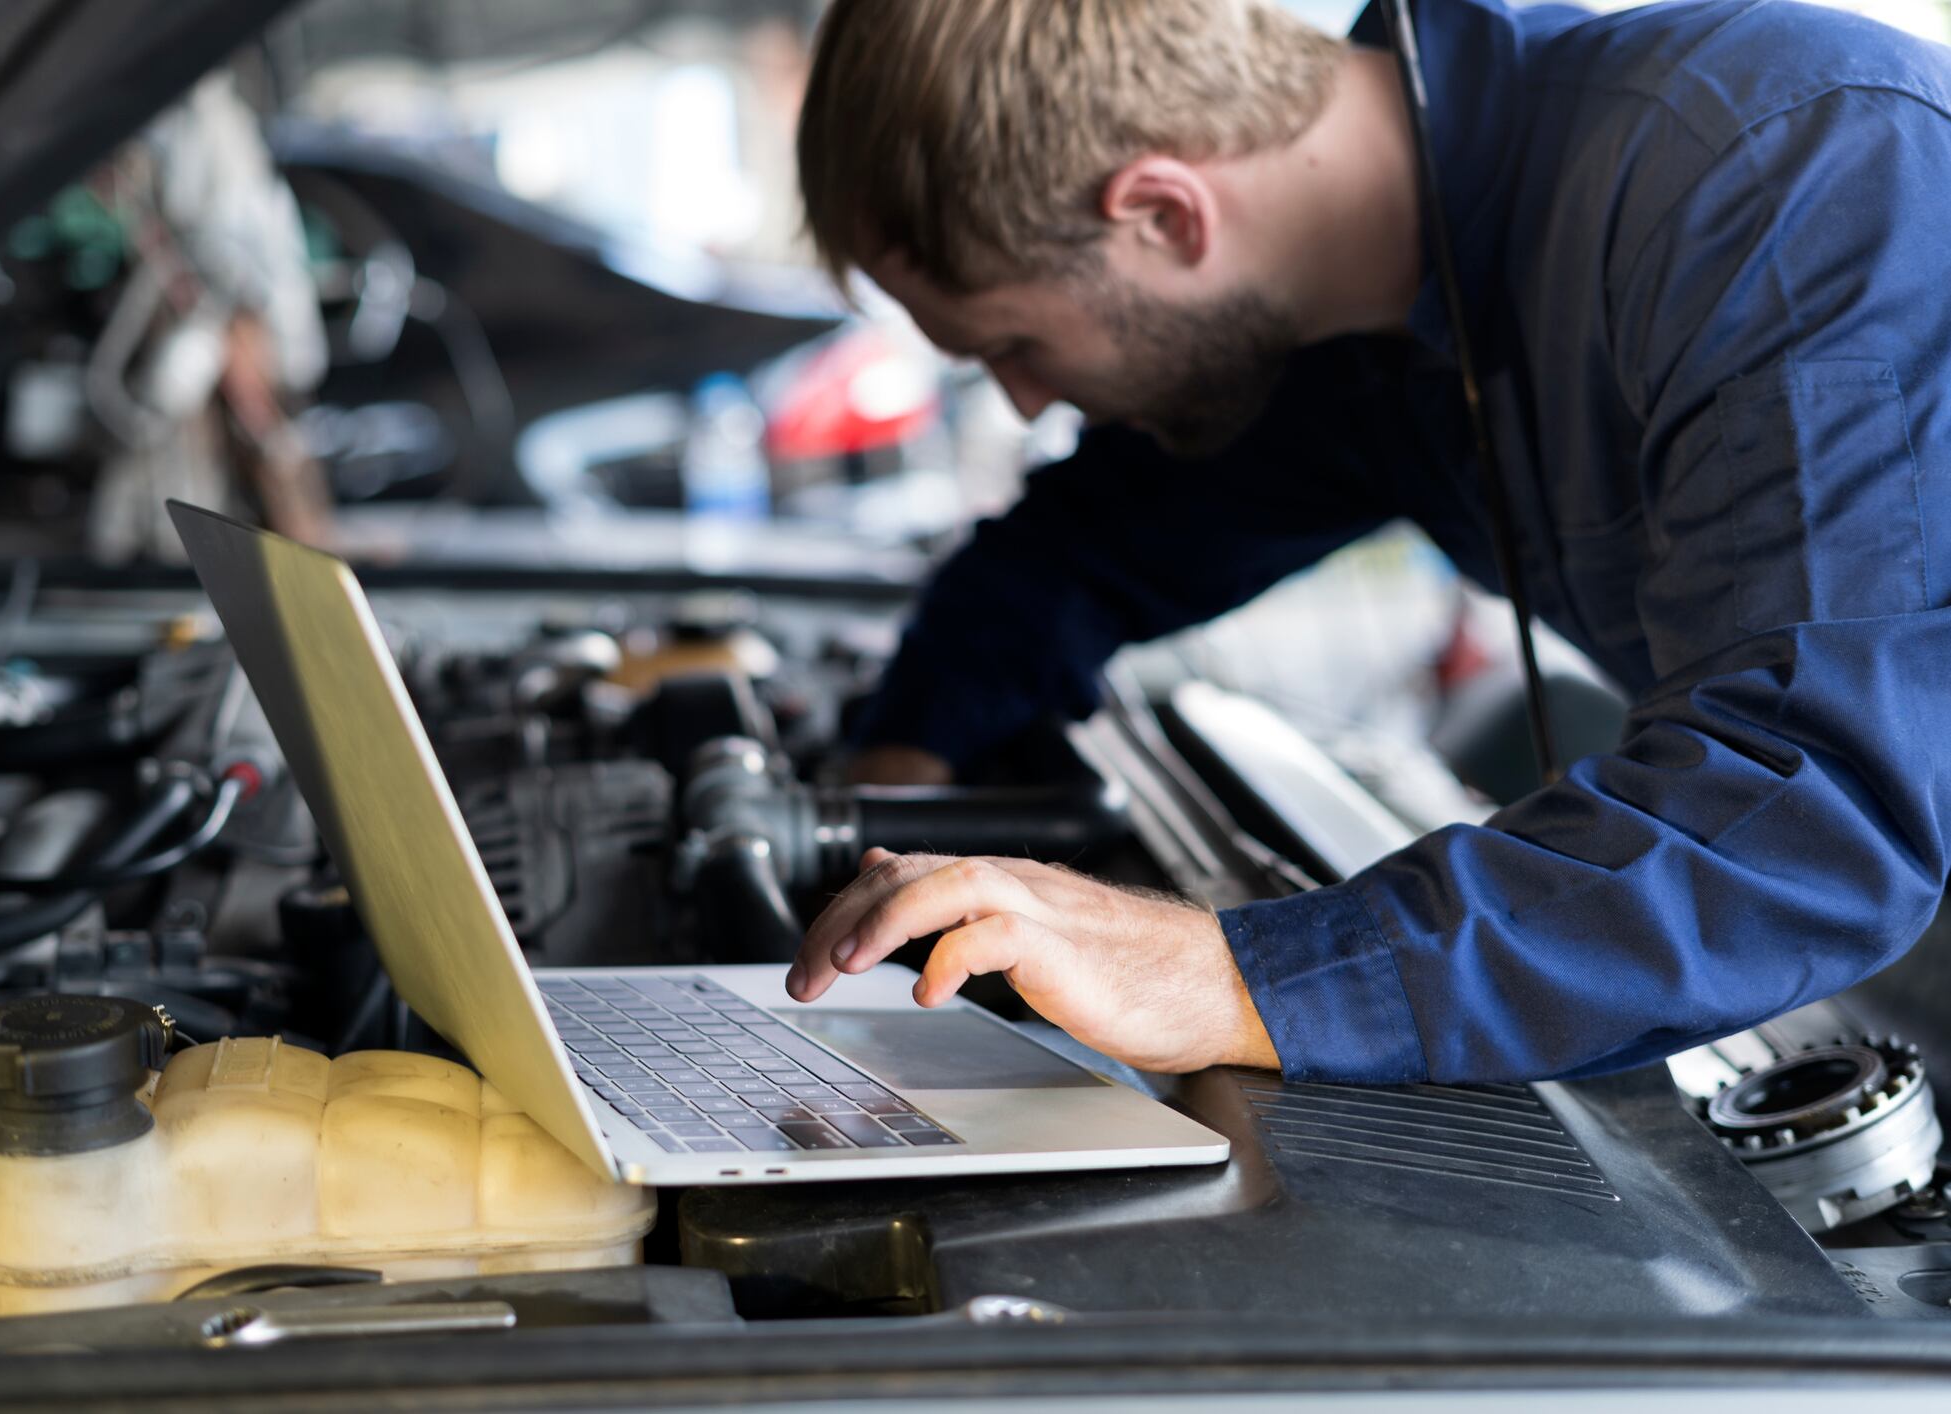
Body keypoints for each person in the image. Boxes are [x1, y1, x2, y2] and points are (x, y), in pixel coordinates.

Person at [780, 0, 1951, 1084]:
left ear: (1165, 214)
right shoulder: (1356, 320)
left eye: (1014, 345)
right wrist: (899, 767)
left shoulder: (1788, 176)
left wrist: (1227, 976)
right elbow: (1090, 545)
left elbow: (1804, 814)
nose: (1025, 401)